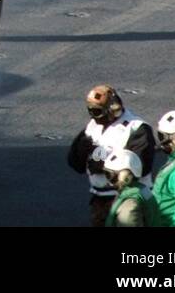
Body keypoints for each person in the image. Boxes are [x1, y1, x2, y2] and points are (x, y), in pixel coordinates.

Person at [66, 85, 155, 227]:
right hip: (100, 200)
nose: (93, 116)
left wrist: (102, 166)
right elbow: (75, 164)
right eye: (90, 110)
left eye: (97, 111)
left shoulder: (137, 128)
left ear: (113, 108)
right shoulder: (93, 126)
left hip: (129, 199)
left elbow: (142, 166)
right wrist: (80, 149)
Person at [102, 149, 158, 227]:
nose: (108, 180)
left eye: (110, 175)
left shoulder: (128, 208)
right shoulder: (142, 189)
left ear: (126, 176)